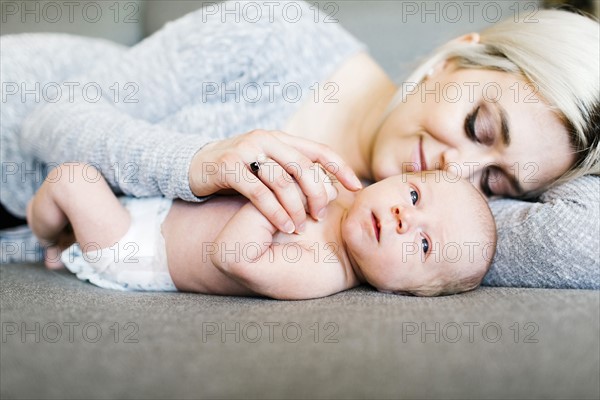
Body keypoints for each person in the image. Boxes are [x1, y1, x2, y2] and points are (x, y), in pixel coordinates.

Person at [2, 1, 598, 288]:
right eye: (479, 127)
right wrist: (197, 161)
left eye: (496, 183)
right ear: (451, 59)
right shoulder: (278, 36)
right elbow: (49, 119)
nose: (459, 166)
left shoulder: (417, 232)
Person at [26, 162, 496, 299]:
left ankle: (48, 241)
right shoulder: (342, 187)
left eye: (423, 243)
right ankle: (66, 243)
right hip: (155, 205)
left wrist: (280, 197)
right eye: (414, 197)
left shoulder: (323, 270)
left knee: (72, 179)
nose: (404, 218)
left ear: (409, 292)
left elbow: (232, 256)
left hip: (139, 249)